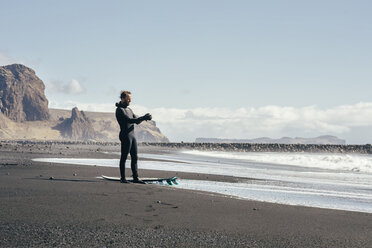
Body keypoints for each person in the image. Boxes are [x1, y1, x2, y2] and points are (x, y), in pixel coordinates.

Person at [115, 91, 152, 183]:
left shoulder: (130, 110)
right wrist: (143, 117)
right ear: (123, 98)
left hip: (132, 135)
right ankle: (122, 178)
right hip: (125, 136)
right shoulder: (119, 110)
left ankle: (135, 178)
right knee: (124, 157)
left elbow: (136, 121)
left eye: (130, 99)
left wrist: (145, 118)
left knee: (135, 157)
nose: (129, 101)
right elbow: (129, 120)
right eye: (128, 99)